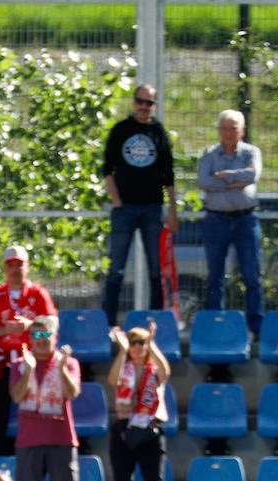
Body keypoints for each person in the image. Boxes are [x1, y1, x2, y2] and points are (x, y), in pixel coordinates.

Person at [100, 83, 178, 324]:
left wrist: (173, 209)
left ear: (154, 105)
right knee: (117, 269)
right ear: (134, 102)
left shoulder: (159, 133)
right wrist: (116, 200)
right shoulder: (121, 130)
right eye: (140, 102)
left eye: (149, 103)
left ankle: (154, 321)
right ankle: (109, 323)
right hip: (124, 210)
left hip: (152, 209)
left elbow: (169, 175)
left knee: (156, 269)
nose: (144, 107)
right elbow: (107, 169)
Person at [0, 244, 58, 456]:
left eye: (19, 265)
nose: (15, 269)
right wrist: (5, 329)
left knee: (37, 414)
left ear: (27, 266)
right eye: (11, 265)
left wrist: (30, 326)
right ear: (5, 268)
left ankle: (38, 463)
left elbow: (52, 326)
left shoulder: (38, 294)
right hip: (4, 362)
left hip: (34, 361)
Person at [9, 314, 82, 481]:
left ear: (55, 336)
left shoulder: (69, 363)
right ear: (30, 338)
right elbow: (16, 396)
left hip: (61, 438)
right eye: (36, 335)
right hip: (28, 440)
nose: (41, 339)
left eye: (45, 334)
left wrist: (60, 370)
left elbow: (72, 392)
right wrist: (29, 370)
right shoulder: (19, 364)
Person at [197, 109, 263, 335]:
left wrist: (222, 176)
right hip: (216, 221)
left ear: (242, 131)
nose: (228, 133)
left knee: (251, 275)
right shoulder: (208, 154)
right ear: (219, 130)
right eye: (224, 128)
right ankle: (216, 325)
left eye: (233, 128)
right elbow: (204, 181)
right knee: (215, 276)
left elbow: (252, 176)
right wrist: (236, 180)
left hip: (245, 220)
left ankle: (256, 326)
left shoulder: (251, 152)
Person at [107, 322, 171, 481]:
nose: (137, 347)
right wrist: (122, 351)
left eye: (141, 342)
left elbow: (165, 372)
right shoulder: (123, 367)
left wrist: (152, 345)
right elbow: (112, 380)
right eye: (133, 342)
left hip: (149, 430)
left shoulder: (153, 369)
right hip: (125, 431)